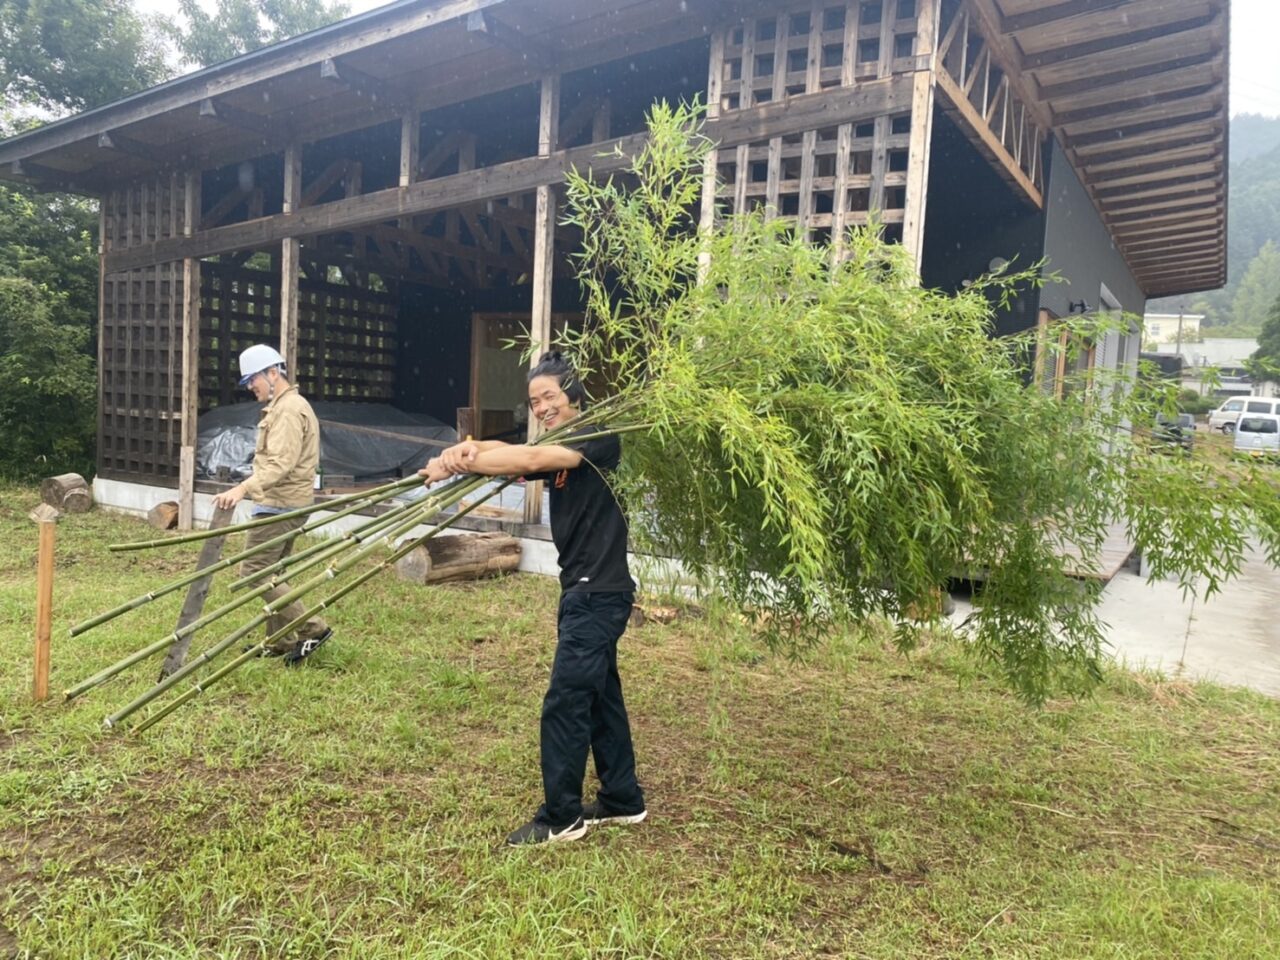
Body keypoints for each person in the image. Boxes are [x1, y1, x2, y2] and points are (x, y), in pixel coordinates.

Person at [420, 351, 646, 845]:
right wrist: (459, 458)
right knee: (601, 697)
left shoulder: (595, 433)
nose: (541, 407)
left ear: (574, 395)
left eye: (549, 396)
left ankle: (562, 817)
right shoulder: (561, 443)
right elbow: (515, 460)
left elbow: (528, 457)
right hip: (585, 592)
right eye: (534, 400)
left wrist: (469, 453)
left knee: (566, 703)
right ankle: (622, 798)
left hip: (597, 594)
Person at [213, 344, 333, 665]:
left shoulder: (289, 410)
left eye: (253, 379)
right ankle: (281, 640)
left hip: (279, 505)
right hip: (285, 503)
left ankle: (312, 628)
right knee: (273, 574)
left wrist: (243, 489)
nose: (250, 386)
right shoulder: (283, 406)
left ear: (273, 373)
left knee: (253, 575)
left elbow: (280, 463)